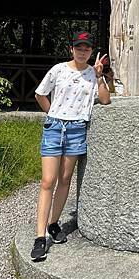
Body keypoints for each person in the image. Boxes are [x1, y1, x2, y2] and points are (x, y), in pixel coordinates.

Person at [30, 30, 111, 261]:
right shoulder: (58, 70)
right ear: (71, 49)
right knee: (48, 181)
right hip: (55, 127)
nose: (83, 52)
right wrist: (52, 113)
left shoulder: (91, 75)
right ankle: (40, 236)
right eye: (79, 48)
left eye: (86, 48)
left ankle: (54, 223)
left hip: (77, 129)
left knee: (65, 179)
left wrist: (99, 75)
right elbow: (40, 94)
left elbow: (105, 99)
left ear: (91, 51)